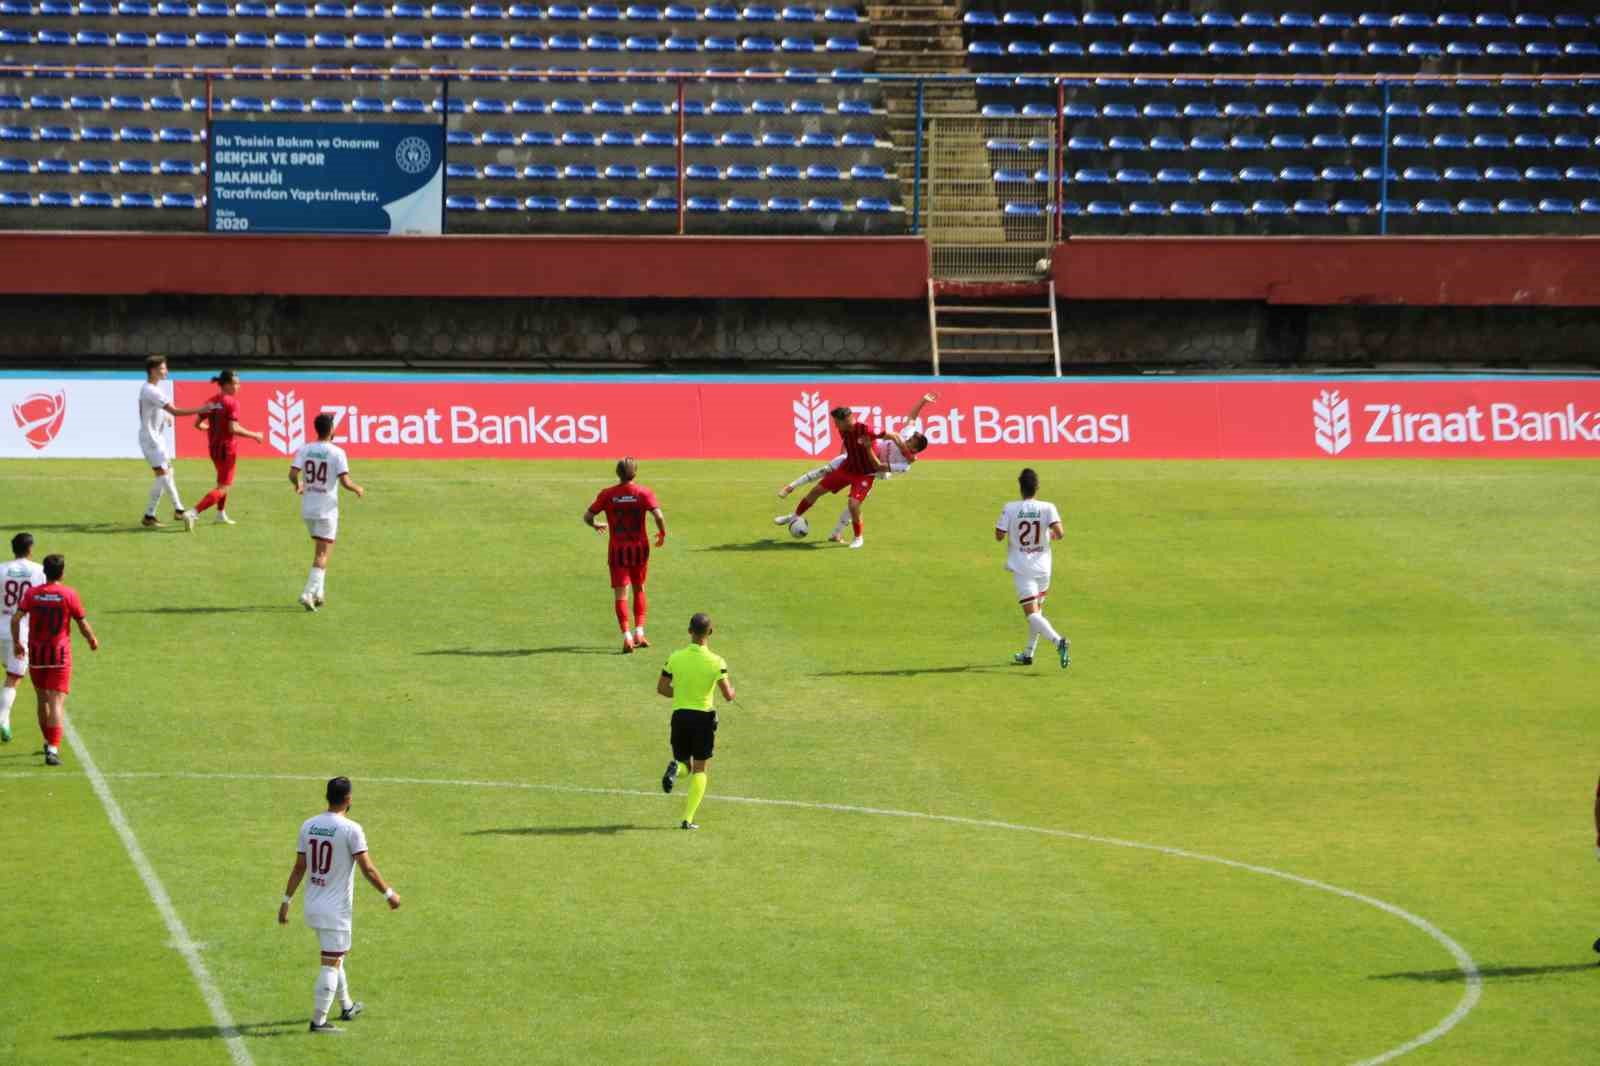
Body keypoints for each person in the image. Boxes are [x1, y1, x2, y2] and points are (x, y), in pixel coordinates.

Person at [278, 776, 401, 1035]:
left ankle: (346, 1006)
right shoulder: (351, 829)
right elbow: (367, 868)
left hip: (312, 904)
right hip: (336, 910)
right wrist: (388, 893)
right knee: (330, 963)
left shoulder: (309, 825)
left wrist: (286, 901)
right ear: (348, 799)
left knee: (335, 956)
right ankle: (318, 1021)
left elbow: (299, 867)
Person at [780, 393, 938, 544]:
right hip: (860, 454)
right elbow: (911, 419)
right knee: (826, 470)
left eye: (911, 441)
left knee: (854, 504)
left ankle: (837, 533)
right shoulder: (905, 439)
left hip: (874, 471)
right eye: (909, 438)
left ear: (915, 449)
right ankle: (790, 489)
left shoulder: (904, 465)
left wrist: (872, 449)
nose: (908, 438)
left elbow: (879, 466)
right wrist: (923, 401)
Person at [10, 554, 100, 766]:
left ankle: (46, 740)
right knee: (56, 701)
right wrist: (92, 639)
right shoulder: (68, 594)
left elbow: (16, 619)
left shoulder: (32, 594)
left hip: (37, 654)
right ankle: (52, 749)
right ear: (62, 572)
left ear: (44, 572)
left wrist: (17, 642)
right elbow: (81, 623)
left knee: (42, 700)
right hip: (59, 655)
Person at [773, 404, 890, 549]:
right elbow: (848, 444)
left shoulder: (865, 429)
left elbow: (891, 436)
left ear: (846, 419)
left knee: (853, 505)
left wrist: (905, 453)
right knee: (816, 490)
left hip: (864, 474)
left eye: (836, 422)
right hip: (847, 468)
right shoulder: (844, 431)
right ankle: (795, 516)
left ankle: (858, 537)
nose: (835, 426)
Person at [657, 612, 735, 830]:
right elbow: (728, 695)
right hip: (702, 719)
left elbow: (662, 688)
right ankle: (687, 819)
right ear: (710, 632)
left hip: (680, 716)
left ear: (689, 630)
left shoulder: (675, 657)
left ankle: (675, 769)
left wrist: (681, 692)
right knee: (700, 769)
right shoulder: (716, 662)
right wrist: (734, 692)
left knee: (684, 764)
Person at [583, 457, 666, 653]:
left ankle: (627, 636)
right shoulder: (644, 493)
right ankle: (639, 631)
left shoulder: (608, 494)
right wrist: (662, 532)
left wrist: (596, 525)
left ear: (617, 473)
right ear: (635, 473)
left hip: (617, 550)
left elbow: (587, 516)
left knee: (621, 594)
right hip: (639, 549)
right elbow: (659, 515)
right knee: (639, 588)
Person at [290, 412, 365, 613]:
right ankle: (307, 592)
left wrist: (298, 485)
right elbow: (345, 481)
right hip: (326, 509)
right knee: (322, 554)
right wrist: (357, 488)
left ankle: (319, 593)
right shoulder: (337, 452)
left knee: (321, 551)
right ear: (331, 429)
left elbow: (292, 473)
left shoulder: (305, 449)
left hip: (308, 508)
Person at [995, 468, 1069, 669]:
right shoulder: (1048, 507)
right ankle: (1028, 653)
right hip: (1044, 568)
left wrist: (1013, 533)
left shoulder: (1010, 508)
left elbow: (999, 535)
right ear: (1037, 487)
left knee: (1032, 615)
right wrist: (1046, 538)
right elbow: (1060, 533)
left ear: (1020, 487)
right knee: (1038, 613)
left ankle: (1058, 641)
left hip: (1022, 568)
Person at [138, 355, 206, 531]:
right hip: (151, 439)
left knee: (167, 473)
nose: (166, 371)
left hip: (156, 438)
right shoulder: (151, 390)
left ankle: (152, 515)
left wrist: (164, 416)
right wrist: (201, 409)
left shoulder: (152, 389)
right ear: (153, 371)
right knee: (164, 475)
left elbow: (155, 410)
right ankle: (177, 510)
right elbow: (175, 411)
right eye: (162, 368)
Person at [191, 370, 266, 525]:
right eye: (235, 383)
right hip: (227, 449)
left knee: (222, 482)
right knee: (224, 487)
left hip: (214, 448)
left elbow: (197, 423)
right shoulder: (231, 402)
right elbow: (233, 428)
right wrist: (255, 435)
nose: (239, 386)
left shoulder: (212, 401)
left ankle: (220, 514)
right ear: (226, 385)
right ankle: (193, 512)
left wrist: (209, 429)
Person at [0, 532, 45, 745]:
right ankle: (3, 718)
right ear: (30, 548)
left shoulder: (1, 569)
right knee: (13, 677)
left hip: (0, 623)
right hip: (20, 630)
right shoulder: (38, 570)